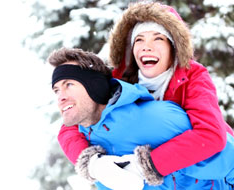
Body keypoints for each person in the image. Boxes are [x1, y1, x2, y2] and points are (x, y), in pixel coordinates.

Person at [57, 0, 234, 185]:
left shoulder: (193, 76)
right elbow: (70, 125)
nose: (146, 46)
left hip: (208, 175)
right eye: (139, 39)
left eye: (158, 38)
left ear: (173, 47)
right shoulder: (118, 81)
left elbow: (211, 135)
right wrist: (93, 164)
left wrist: (147, 164)